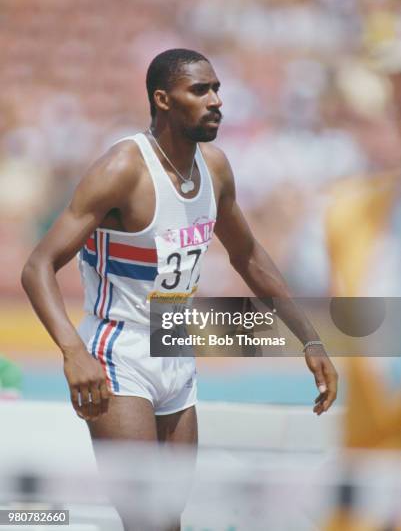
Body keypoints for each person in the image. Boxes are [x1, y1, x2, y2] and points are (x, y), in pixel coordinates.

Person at [21, 48, 338, 530]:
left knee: (170, 518)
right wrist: (72, 352)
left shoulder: (215, 168)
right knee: (146, 517)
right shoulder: (122, 169)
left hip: (173, 343)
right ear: (163, 99)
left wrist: (310, 338)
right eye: (200, 90)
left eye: (217, 90)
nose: (216, 101)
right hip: (117, 351)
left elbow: (248, 255)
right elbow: (38, 266)